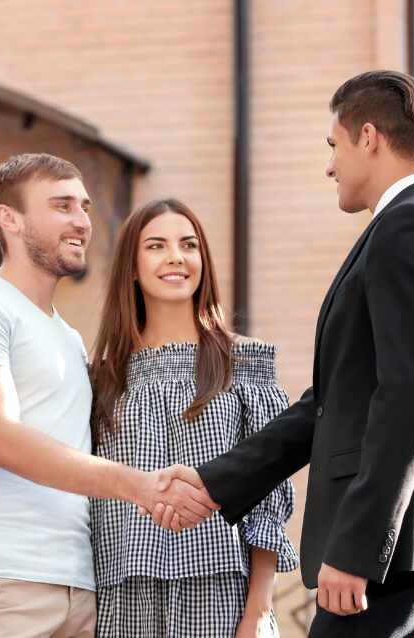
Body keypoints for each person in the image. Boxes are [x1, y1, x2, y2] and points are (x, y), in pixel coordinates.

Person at [154, 70, 414, 638]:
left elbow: (408, 398)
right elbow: (331, 403)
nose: (329, 166)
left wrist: (359, 547)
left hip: (393, 565)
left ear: (368, 138)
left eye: (333, 146)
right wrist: (217, 483)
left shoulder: (410, 228)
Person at [0, 153, 217, 638]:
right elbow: (1, 440)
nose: (82, 221)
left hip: (78, 584)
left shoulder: (68, 338)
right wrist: (140, 486)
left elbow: (65, 444)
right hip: (0, 579)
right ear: (10, 218)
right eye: (62, 206)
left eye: (83, 207)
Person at [87, 198, 299, 637]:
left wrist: (259, 611)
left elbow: (269, 491)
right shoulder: (101, 378)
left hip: (224, 594)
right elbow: (59, 463)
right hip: (123, 595)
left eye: (188, 244)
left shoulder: (243, 363)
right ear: (131, 265)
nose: (176, 258)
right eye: (156, 246)